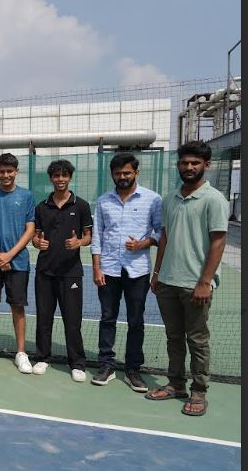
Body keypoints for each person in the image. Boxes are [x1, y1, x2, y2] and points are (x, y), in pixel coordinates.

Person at [146, 141, 228, 417]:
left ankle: (199, 391)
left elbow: (218, 242)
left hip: (196, 284)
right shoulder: (169, 199)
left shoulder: (214, 199)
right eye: (184, 163)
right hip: (168, 281)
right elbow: (165, 238)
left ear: (206, 165)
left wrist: (205, 281)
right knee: (173, 337)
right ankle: (176, 384)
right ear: (178, 165)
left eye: (195, 163)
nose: (189, 167)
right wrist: (157, 273)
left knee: (197, 339)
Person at [90, 152, 162, 392]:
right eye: (118, 173)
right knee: (107, 319)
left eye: (127, 173)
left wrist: (143, 244)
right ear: (112, 174)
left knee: (136, 321)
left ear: (136, 173)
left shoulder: (153, 199)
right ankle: (106, 365)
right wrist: (97, 267)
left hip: (138, 271)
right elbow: (97, 236)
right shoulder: (103, 201)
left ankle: (133, 370)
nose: (122, 177)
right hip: (108, 270)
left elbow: (161, 233)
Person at [31, 159, 92, 382]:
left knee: (72, 319)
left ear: (70, 178)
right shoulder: (42, 206)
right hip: (45, 271)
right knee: (44, 318)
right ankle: (42, 358)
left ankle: (77, 363)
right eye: (56, 176)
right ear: (51, 178)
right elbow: (36, 236)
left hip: (71, 272)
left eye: (64, 175)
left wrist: (79, 243)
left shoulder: (81, 205)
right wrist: (37, 243)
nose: (60, 179)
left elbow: (88, 236)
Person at [0, 153, 36, 374]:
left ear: (16, 171)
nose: (6, 175)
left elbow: (30, 229)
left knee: (17, 307)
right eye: (2, 171)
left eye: (9, 171)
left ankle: (21, 353)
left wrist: (9, 255)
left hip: (18, 262)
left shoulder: (27, 196)